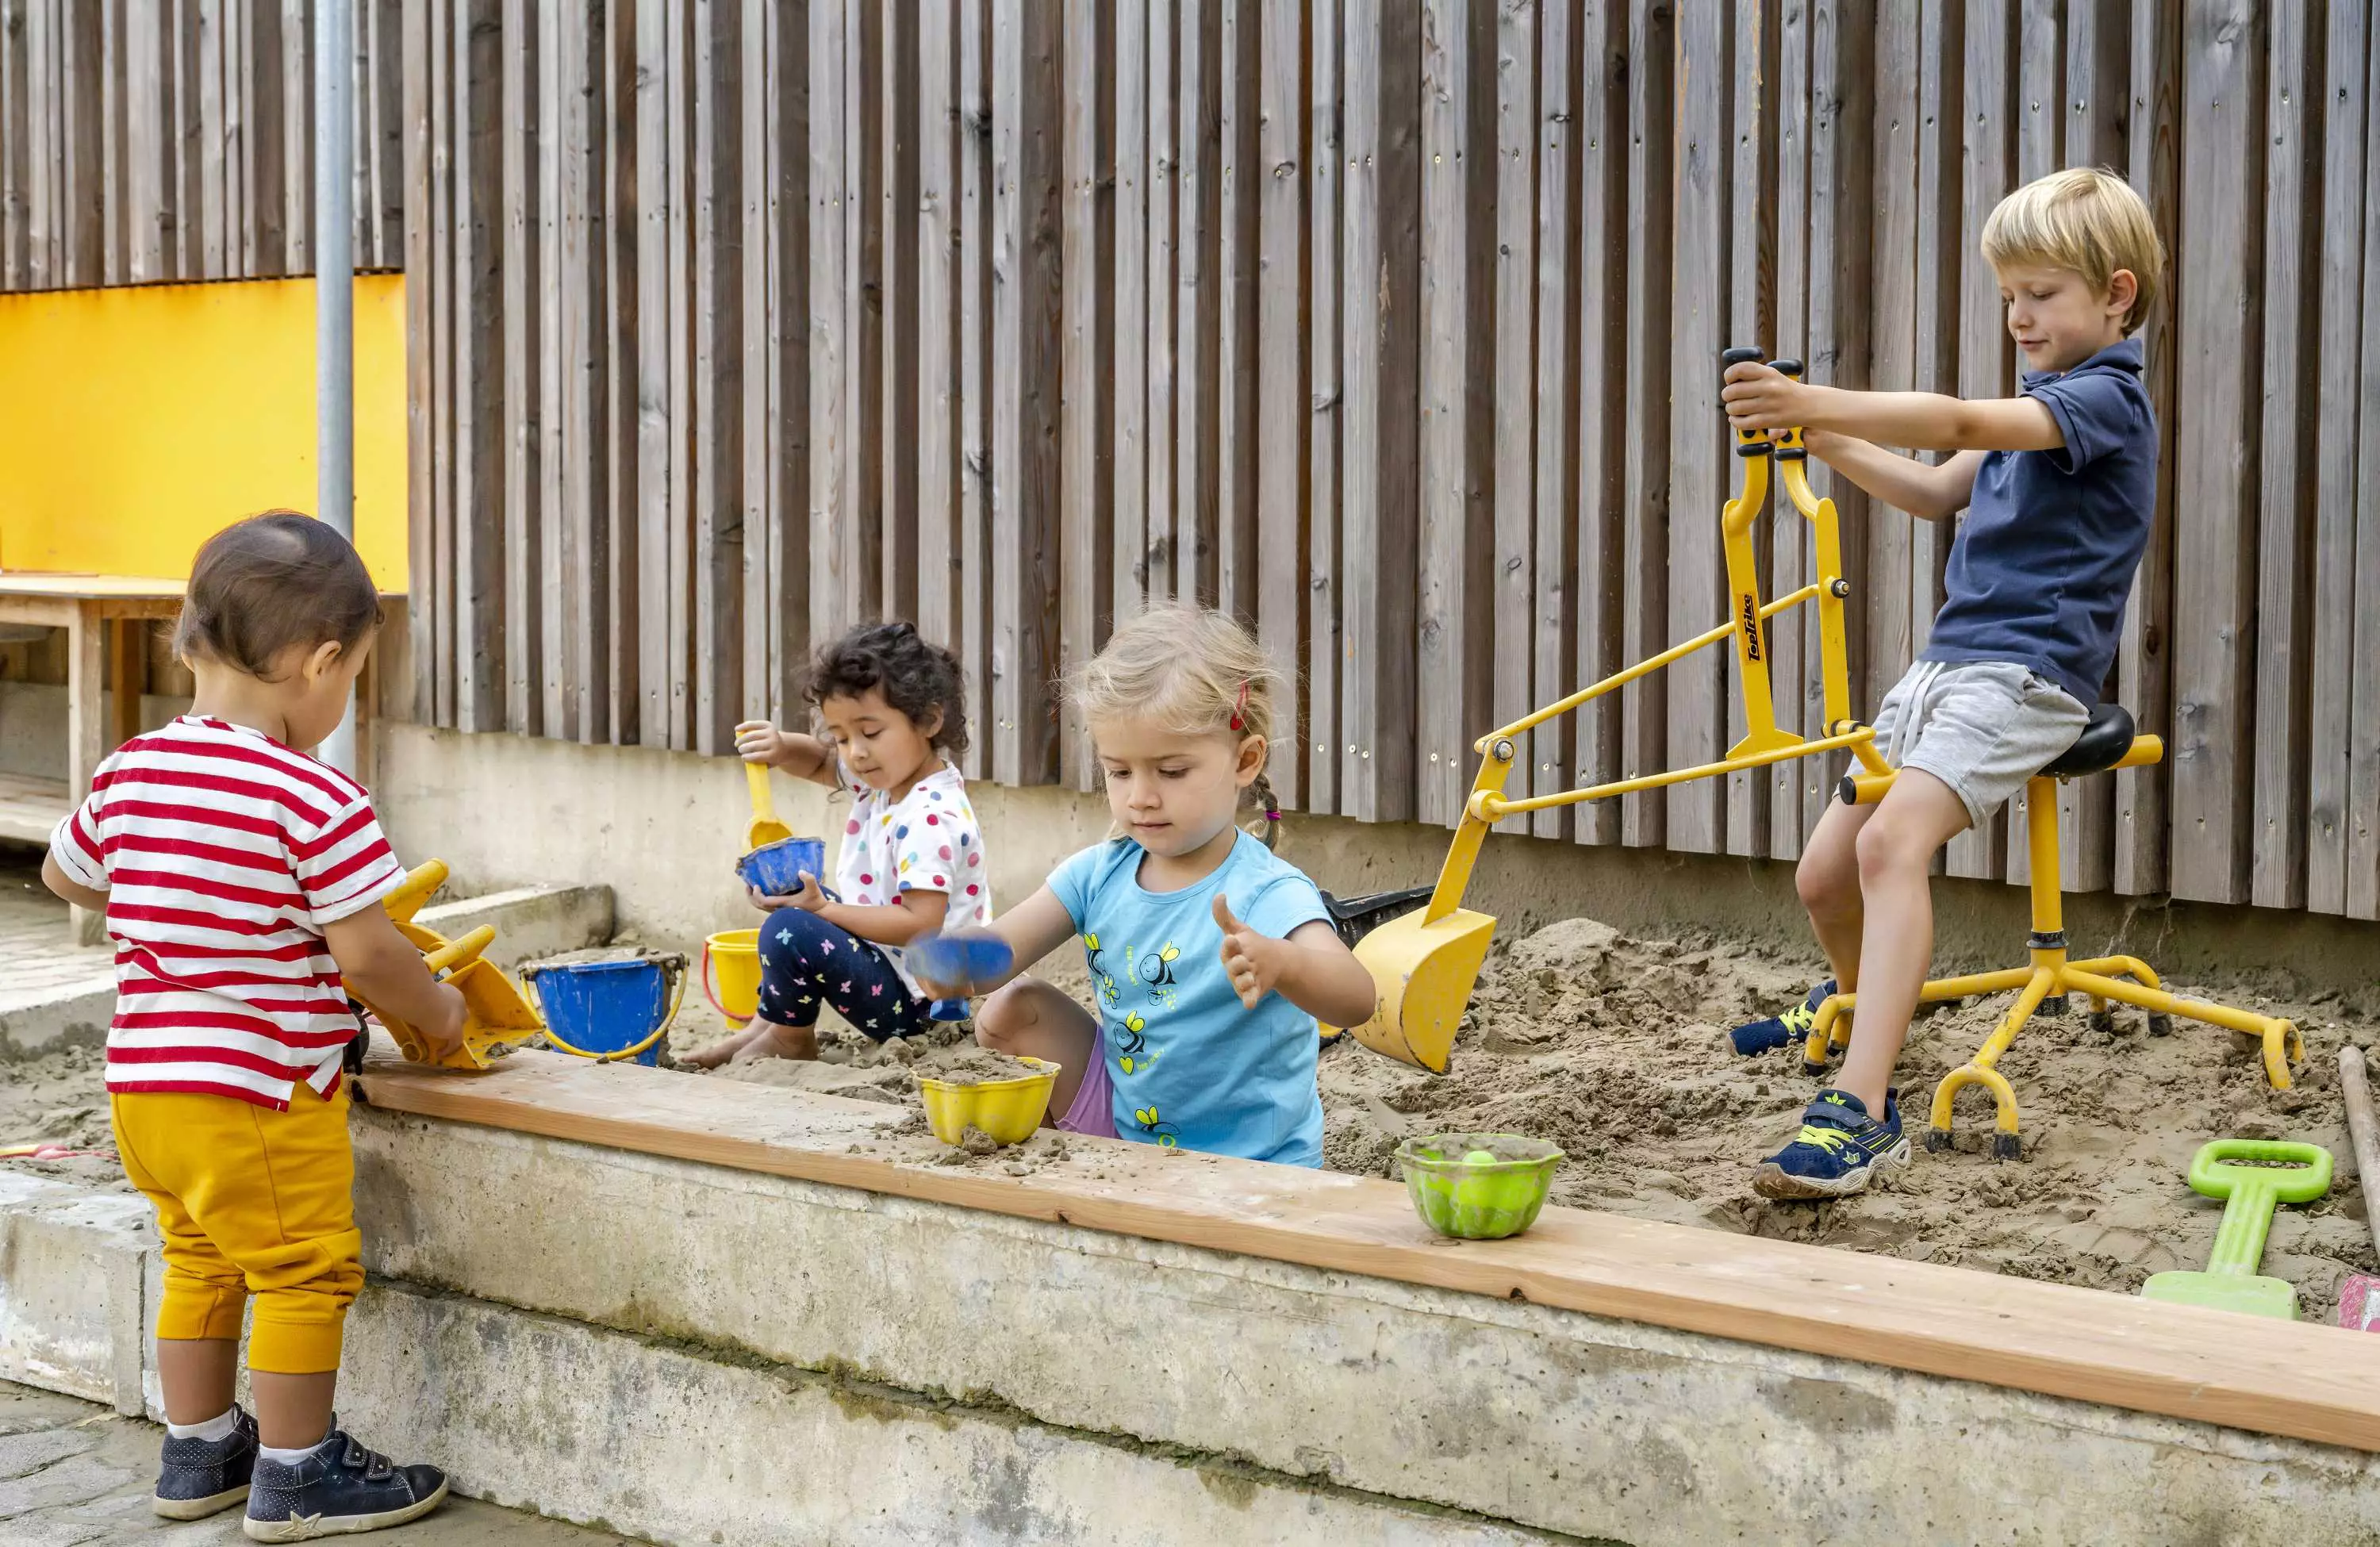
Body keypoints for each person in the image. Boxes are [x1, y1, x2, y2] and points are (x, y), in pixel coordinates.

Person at [1718, 166, 2167, 1200]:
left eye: (2041, 294)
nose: (2018, 316)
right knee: (1824, 875)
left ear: (2117, 295)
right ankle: (1862, 1007)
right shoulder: (2037, 409)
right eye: (2008, 296)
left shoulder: (2105, 405)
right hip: (1944, 669)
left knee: (1889, 841)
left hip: (2028, 676)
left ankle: (1864, 1111)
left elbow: (1957, 429)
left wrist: (1813, 396)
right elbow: (1930, 489)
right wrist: (1822, 439)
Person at [41, 512, 460, 1537]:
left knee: (198, 1255)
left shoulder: (129, 770)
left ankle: (197, 1452)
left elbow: (65, 875)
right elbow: (368, 953)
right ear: (318, 664)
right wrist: (440, 1010)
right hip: (258, 1091)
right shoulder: (313, 794)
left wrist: (182, 901)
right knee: (302, 1267)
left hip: (145, 1084)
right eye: (352, 675)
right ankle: (299, 1469)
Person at [917, 604, 1376, 1165]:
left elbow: (1357, 997)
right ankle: (1080, 1164)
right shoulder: (1099, 873)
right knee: (1012, 1009)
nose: (1141, 796)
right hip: (1127, 1128)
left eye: (1173, 771)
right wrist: (956, 964)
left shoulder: (1266, 891)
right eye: (1120, 771)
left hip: (1253, 1164)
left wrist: (1284, 963)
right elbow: (1007, 947)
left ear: (1246, 761)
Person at [684, 621, 989, 1065]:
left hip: (924, 1003)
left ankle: (791, 1041)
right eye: (842, 736)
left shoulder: (929, 815)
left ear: (928, 719)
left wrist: (823, 910)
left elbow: (919, 923)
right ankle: (765, 1025)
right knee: (794, 904)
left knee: (793, 926)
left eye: (870, 732)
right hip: (897, 971)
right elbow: (822, 765)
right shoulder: (889, 778)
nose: (855, 753)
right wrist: (783, 747)